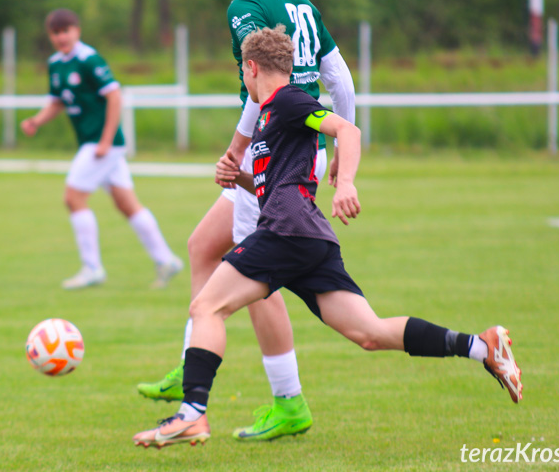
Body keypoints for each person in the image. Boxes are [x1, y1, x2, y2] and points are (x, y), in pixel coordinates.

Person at [133, 26, 523, 449]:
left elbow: (347, 131)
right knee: (369, 333)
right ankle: (481, 348)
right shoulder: (269, 115)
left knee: (206, 306)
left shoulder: (288, 100)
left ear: (251, 67)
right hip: (307, 237)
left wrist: (348, 183)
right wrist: (240, 178)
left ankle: (192, 414)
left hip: (287, 232)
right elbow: (279, 183)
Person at [137, 0, 356, 441]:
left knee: (258, 275)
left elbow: (256, 89)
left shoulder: (246, 5)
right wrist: (335, 151)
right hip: (302, 145)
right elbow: (339, 78)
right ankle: (194, 350)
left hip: (274, 152)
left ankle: (286, 400)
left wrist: (237, 150)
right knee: (201, 246)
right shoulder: (301, 0)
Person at [22, 8, 183, 290]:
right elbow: (58, 101)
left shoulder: (89, 59)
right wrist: (36, 120)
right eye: (55, 33)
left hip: (101, 145)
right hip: (94, 144)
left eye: (66, 31)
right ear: (50, 36)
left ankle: (92, 268)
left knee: (73, 198)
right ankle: (167, 260)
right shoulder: (55, 64)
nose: (61, 37)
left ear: (77, 30)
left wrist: (106, 140)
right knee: (127, 204)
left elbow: (114, 95)